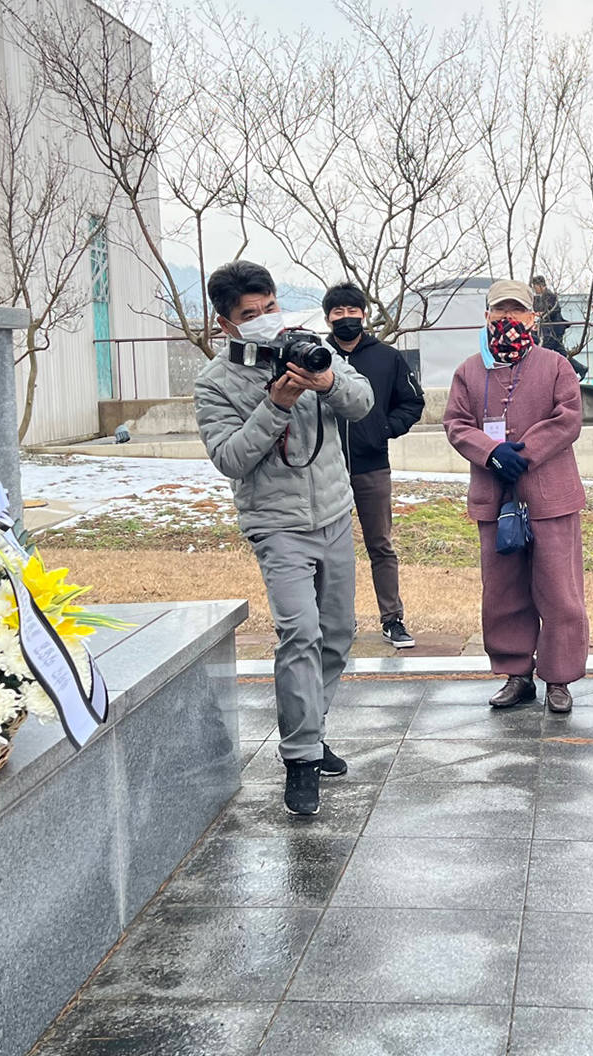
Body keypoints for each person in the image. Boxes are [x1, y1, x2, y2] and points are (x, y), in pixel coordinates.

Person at [194, 261, 374, 817]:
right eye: (250, 315)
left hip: (335, 512)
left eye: (269, 307)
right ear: (226, 326)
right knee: (300, 632)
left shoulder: (308, 344)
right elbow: (230, 458)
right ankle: (301, 758)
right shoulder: (215, 384)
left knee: (338, 633)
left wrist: (327, 380)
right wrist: (276, 404)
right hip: (277, 524)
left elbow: (361, 402)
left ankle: (310, 729)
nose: (265, 319)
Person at [442, 279, 588, 713]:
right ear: (486, 316)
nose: (507, 318)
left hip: (551, 497)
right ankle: (516, 673)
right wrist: (491, 453)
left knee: (560, 592)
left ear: (533, 317)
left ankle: (559, 679)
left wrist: (526, 452)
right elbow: (455, 423)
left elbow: (569, 418)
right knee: (504, 591)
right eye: (499, 310)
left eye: (517, 311)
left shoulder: (555, 365)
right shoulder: (469, 371)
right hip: (495, 497)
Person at [323, 283, 426, 650]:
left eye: (353, 311)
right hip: (324, 469)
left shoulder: (387, 357)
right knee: (332, 551)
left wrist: (384, 428)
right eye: (338, 313)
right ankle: (338, 621)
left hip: (372, 466)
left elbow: (412, 403)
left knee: (380, 545)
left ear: (364, 315)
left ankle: (392, 619)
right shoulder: (317, 358)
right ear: (328, 318)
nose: (346, 318)